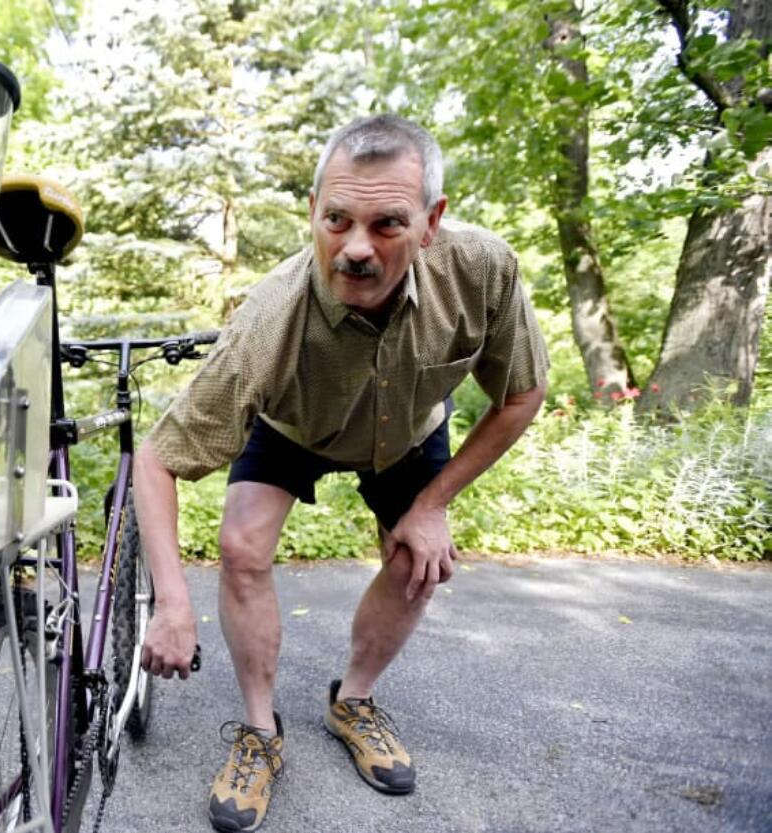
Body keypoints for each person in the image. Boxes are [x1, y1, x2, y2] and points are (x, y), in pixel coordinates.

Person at [132, 114, 549, 832]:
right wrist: (172, 602)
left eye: (388, 223)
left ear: (431, 221)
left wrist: (433, 504)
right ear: (313, 212)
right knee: (241, 546)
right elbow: (157, 459)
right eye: (337, 220)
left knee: (420, 557)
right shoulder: (270, 318)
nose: (356, 248)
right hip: (295, 423)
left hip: (409, 429)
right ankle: (261, 732)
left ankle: (352, 699)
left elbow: (521, 393)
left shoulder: (482, 270)